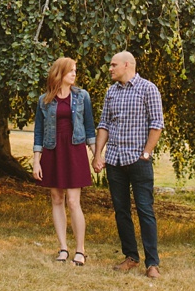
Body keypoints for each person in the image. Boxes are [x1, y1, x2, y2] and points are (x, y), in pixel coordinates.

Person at [92, 50, 164, 278]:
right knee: (121, 211)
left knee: (145, 210)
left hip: (138, 161)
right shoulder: (111, 92)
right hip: (115, 160)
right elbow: (104, 124)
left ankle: (152, 263)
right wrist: (97, 155)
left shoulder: (148, 89)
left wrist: (146, 153)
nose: (110, 69)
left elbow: (157, 124)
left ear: (127, 65)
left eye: (113, 65)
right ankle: (131, 256)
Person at [32, 56, 96, 266]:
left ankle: (80, 250)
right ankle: (63, 248)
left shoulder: (82, 96)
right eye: (71, 71)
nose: (74, 74)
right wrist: (36, 161)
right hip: (53, 150)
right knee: (57, 199)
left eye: (75, 70)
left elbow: (89, 128)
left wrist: (96, 155)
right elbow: (39, 132)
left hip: (74, 149)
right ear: (60, 73)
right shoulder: (45, 100)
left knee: (73, 201)